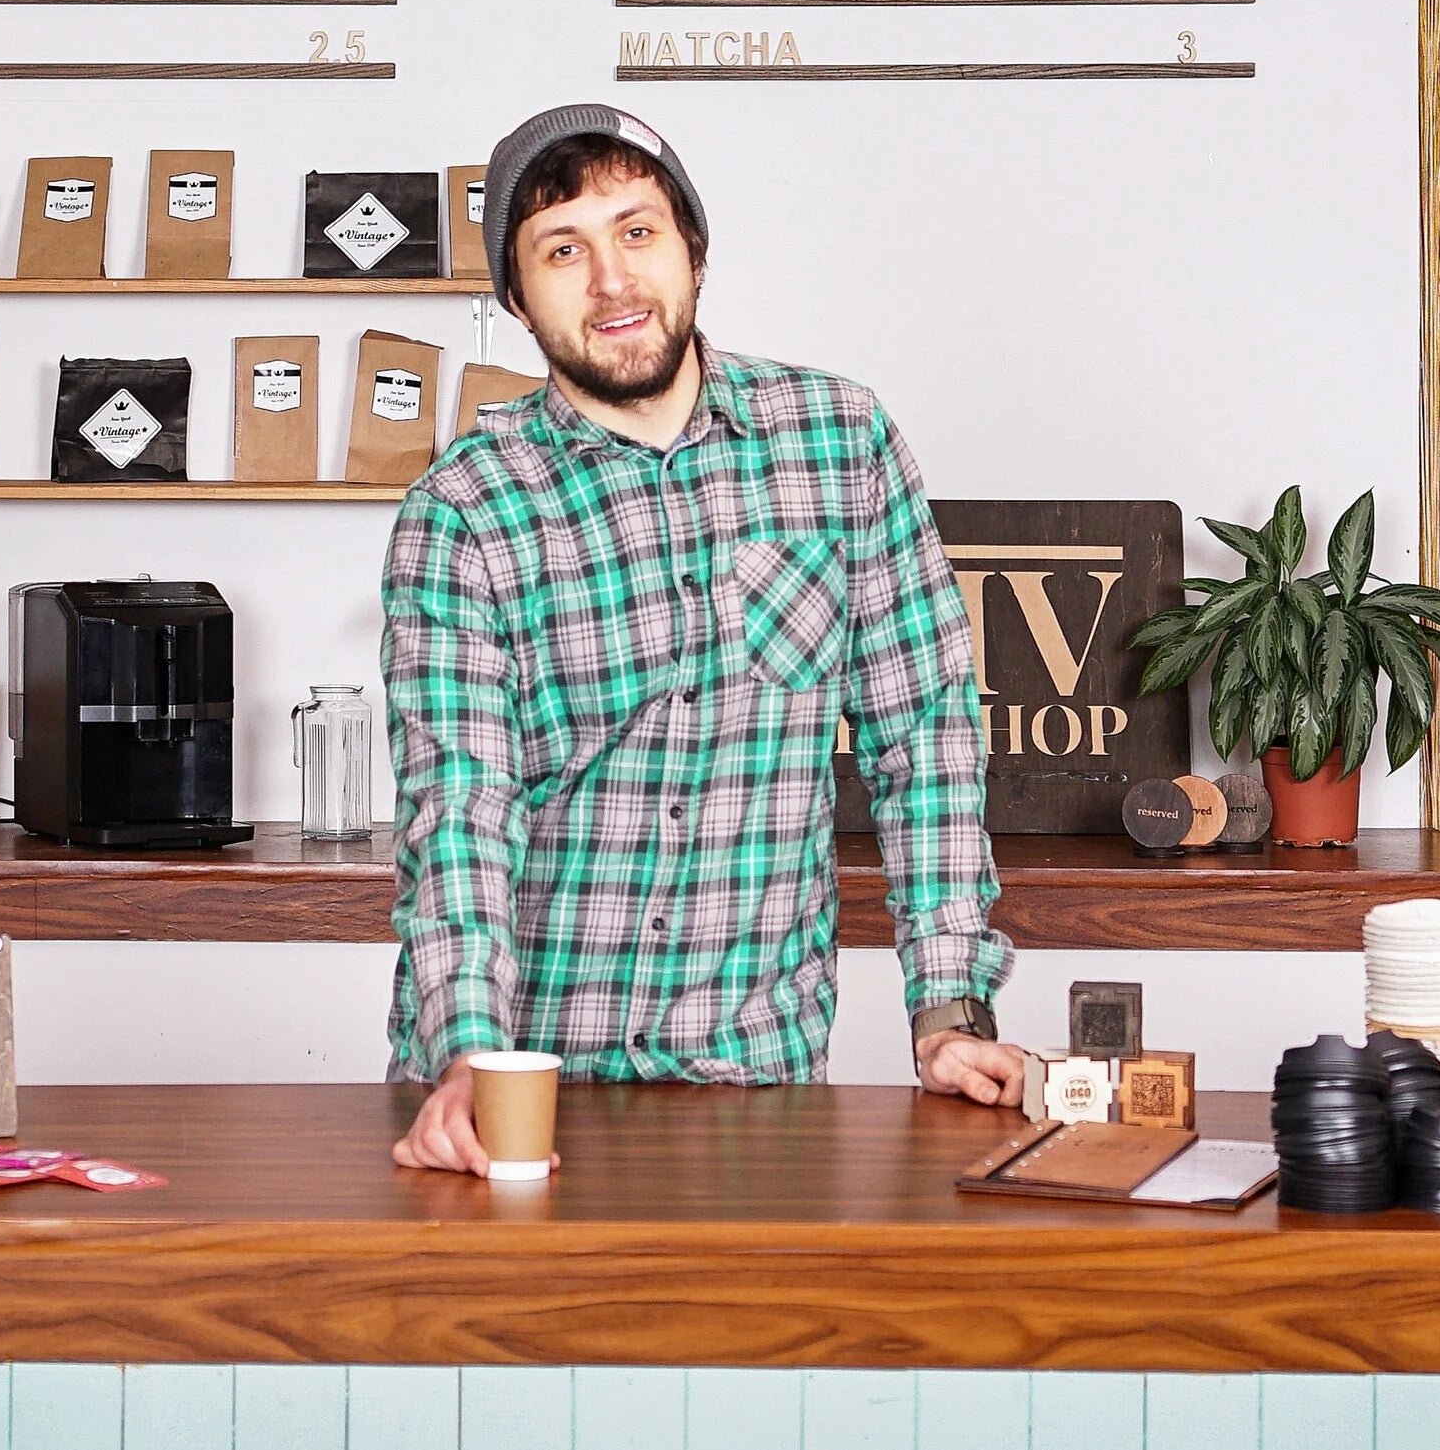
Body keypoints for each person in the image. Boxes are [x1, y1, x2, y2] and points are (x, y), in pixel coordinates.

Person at [383, 102, 1023, 1175]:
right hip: (520, 1095)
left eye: (637, 231)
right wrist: (472, 1062)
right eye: (561, 250)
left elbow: (926, 742)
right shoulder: (463, 512)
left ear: (694, 249)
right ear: (514, 298)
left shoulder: (842, 444)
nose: (611, 281)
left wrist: (948, 1011)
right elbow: (460, 811)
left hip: (757, 1088)